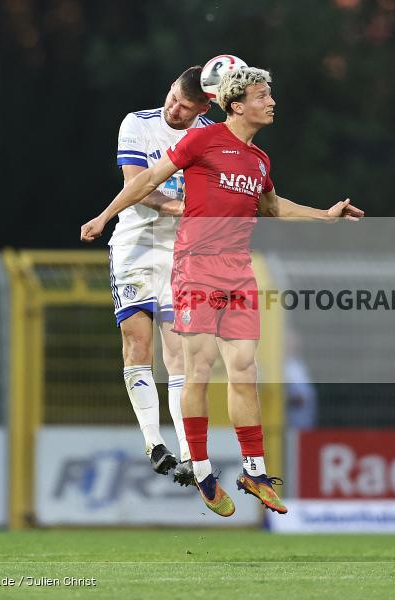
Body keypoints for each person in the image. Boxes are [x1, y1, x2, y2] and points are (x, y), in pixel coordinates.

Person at [81, 67, 363, 517]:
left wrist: (323, 215)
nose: (271, 102)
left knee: (245, 369)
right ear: (236, 105)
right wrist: (103, 216)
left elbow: (272, 206)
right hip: (195, 267)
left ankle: (253, 470)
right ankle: (204, 470)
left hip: (238, 273)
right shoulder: (199, 140)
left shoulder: (259, 160)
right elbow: (147, 180)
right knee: (198, 368)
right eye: (262, 95)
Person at [96, 66, 212, 486]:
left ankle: (187, 454)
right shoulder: (138, 124)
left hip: (182, 253)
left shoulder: (210, 136)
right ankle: (154, 443)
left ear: (205, 107)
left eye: (186, 106)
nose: (174, 109)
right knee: (136, 342)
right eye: (173, 98)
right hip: (134, 245)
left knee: (179, 353)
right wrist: (188, 208)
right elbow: (139, 187)